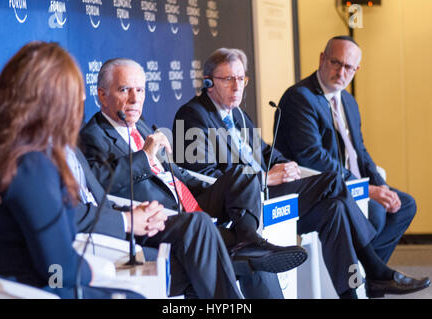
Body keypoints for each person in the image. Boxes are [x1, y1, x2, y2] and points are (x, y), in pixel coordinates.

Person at [172, 47, 430, 298]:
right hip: (242, 206)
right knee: (332, 182)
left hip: (269, 195)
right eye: (228, 79)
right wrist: (264, 178)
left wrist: (286, 164)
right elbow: (202, 179)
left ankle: (350, 292)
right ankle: (374, 268)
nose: (237, 86)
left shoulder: (237, 114)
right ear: (207, 82)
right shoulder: (191, 116)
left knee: (335, 210)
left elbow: (264, 152)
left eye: (241, 78)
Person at [79, 58, 308, 299]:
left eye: (140, 90)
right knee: (252, 258)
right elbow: (100, 184)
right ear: (102, 95)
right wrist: (144, 157)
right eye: (124, 90)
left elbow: (175, 173)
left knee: (244, 176)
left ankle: (249, 237)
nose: (135, 99)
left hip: (186, 200)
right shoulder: (92, 136)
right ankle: (248, 244)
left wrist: (216, 187)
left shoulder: (141, 125)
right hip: (160, 218)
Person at [0, 42, 143, 299]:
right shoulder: (30, 165)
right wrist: (100, 269)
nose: (80, 102)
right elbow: (57, 270)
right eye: (75, 94)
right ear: (55, 102)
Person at [275, 35, 416, 264]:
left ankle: (369, 276)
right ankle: (369, 275)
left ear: (356, 69)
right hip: (318, 189)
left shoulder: (348, 101)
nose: (341, 73)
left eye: (348, 67)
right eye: (335, 63)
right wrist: (365, 189)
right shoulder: (300, 98)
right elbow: (313, 157)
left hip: (352, 184)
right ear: (322, 59)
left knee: (405, 206)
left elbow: (360, 151)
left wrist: (381, 186)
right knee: (376, 212)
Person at [68, 146, 243, 298]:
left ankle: (251, 244)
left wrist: (133, 212)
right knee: (210, 258)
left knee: (200, 225)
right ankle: (250, 250)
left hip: (123, 220)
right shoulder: (47, 153)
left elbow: (98, 199)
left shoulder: (69, 147)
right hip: (98, 243)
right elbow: (69, 214)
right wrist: (126, 219)